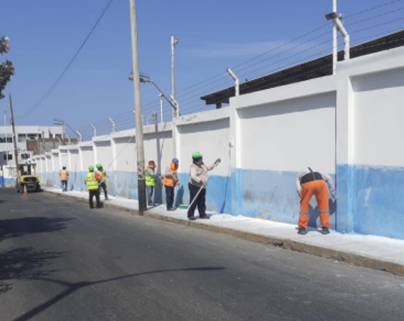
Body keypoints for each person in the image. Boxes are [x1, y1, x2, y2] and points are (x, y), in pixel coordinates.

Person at [296, 167, 336, 235]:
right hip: (321, 183)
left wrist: (301, 195)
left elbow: (298, 188)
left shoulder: (299, 174)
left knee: (304, 206)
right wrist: (332, 191)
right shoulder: (318, 170)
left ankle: (302, 228)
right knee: (324, 206)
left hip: (308, 184)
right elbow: (329, 178)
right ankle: (325, 228)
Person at [188, 152, 220, 220]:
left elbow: (208, 168)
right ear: (197, 159)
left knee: (202, 200)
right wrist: (200, 180)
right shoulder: (193, 166)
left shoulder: (202, 164)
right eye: (200, 158)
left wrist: (215, 163)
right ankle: (190, 215)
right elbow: (193, 176)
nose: (202, 159)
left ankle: (202, 214)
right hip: (194, 186)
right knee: (194, 200)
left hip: (202, 186)